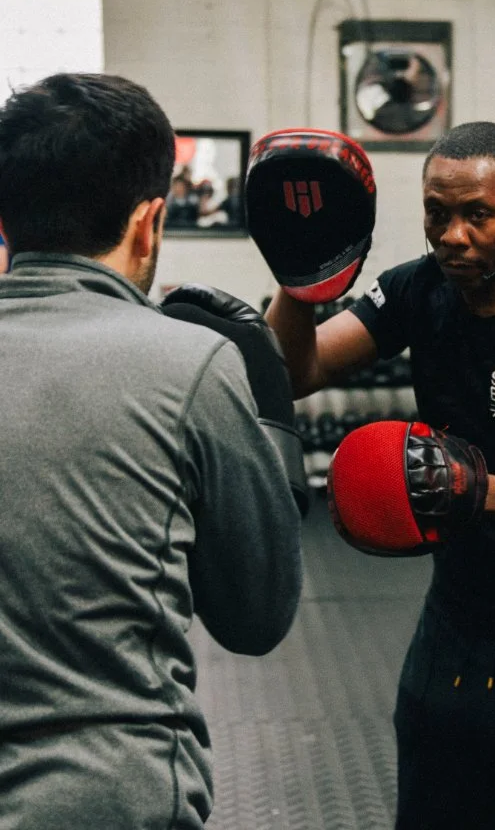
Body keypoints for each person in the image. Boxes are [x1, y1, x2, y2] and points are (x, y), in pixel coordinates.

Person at [266, 121, 495, 829]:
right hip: (461, 613)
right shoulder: (417, 289)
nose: (453, 236)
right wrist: (298, 281)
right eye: (438, 213)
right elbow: (297, 372)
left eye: (478, 215)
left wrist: (475, 487)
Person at [0, 73, 304, 828]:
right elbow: (257, 616)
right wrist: (269, 410)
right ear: (150, 224)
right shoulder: (188, 365)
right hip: (110, 796)